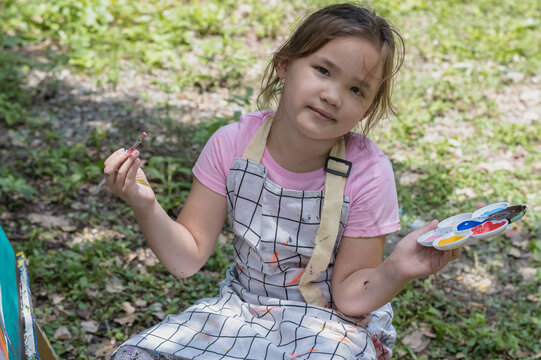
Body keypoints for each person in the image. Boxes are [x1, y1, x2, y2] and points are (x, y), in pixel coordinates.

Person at [106, 3, 461, 359]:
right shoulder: (232, 144)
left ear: (366, 109)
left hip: (332, 325)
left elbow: (351, 297)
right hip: (242, 309)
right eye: (323, 70)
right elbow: (186, 258)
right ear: (285, 64)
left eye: (356, 90)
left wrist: (396, 269)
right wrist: (144, 203)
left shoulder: (368, 173)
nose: (333, 96)